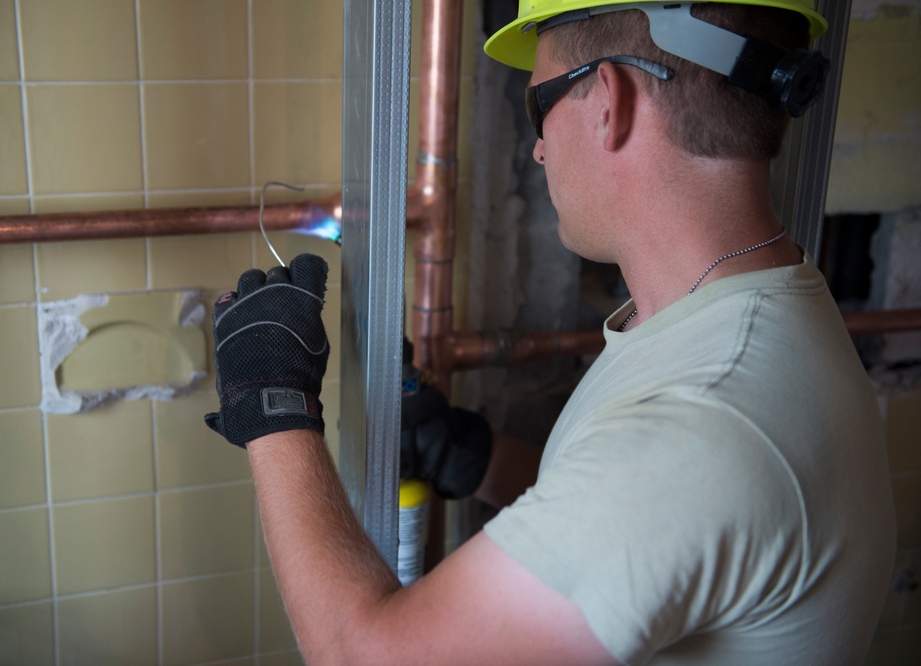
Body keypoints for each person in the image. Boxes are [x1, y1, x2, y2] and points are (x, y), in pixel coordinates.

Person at [204, 1, 897, 663]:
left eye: (540, 104)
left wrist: (271, 398)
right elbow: (658, 539)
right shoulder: (753, 314)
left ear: (610, 100)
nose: (537, 150)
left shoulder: (705, 419)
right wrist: (479, 460)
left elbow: (364, 656)